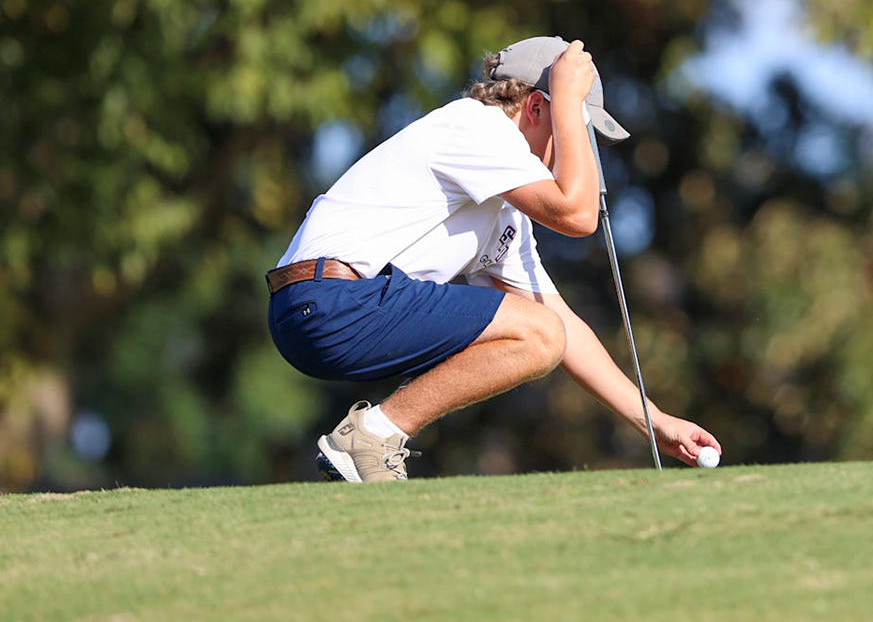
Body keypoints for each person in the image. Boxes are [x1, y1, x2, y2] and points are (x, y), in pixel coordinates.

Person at [266, 36, 720, 481]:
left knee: (543, 334)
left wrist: (653, 420)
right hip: (328, 300)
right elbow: (579, 215)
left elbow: (556, 324)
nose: (580, 149)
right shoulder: (477, 127)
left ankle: (374, 437)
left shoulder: (503, 204)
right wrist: (568, 100)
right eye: (578, 131)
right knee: (542, 334)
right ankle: (372, 435)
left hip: (327, 311)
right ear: (537, 108)